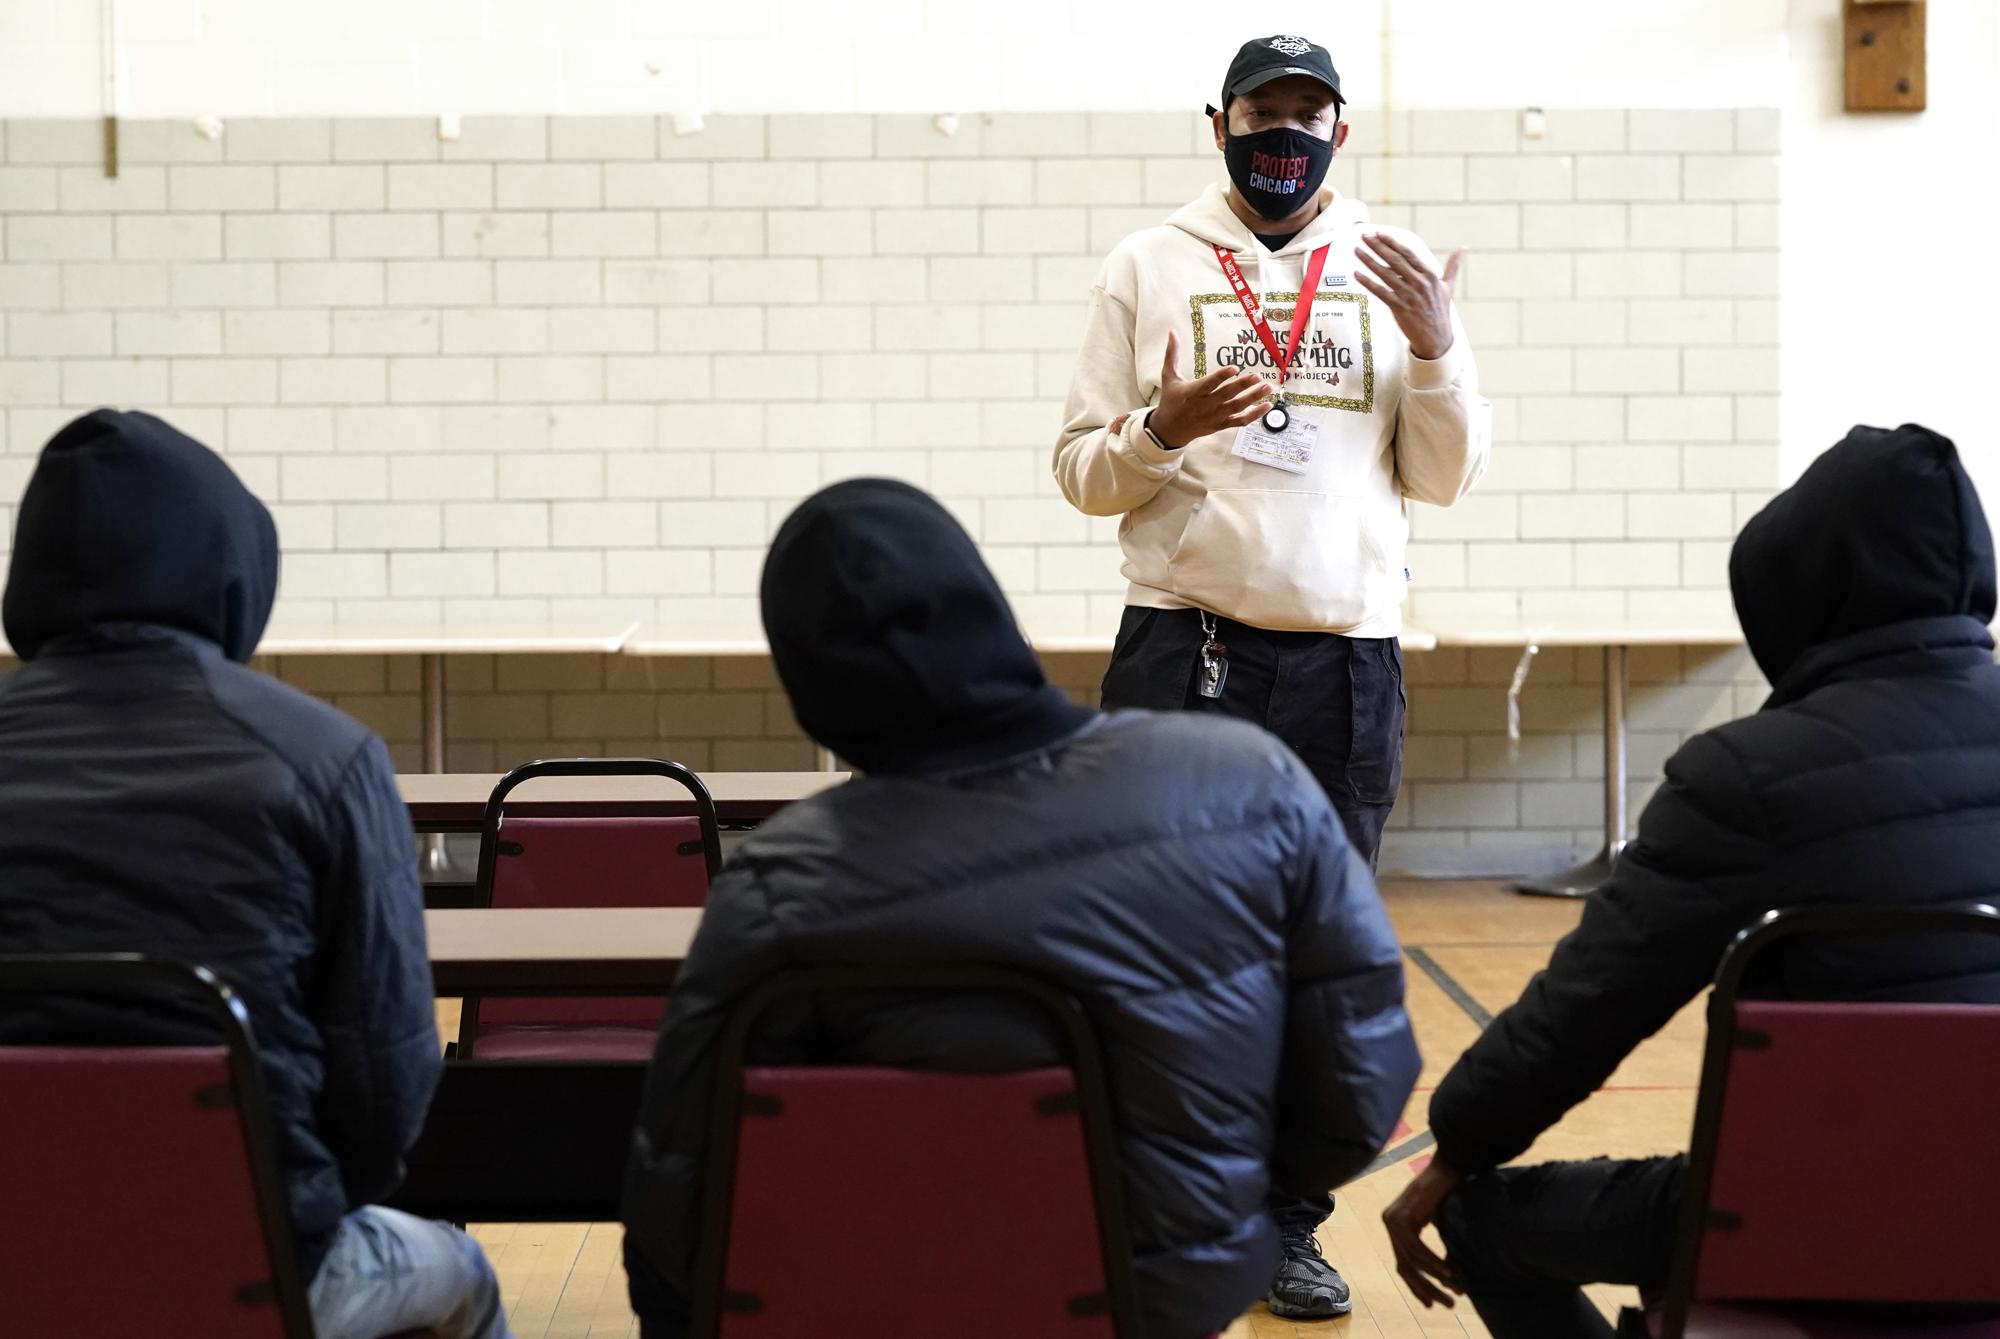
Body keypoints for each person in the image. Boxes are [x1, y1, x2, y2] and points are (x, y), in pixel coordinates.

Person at [620, 478, 1421, 1339]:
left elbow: (684, 1210)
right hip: (1162, 1290)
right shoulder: (1250, 784)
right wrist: (1223, 1198)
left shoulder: (779, 882)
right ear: (991, 612)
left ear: (812, 687)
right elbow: (1357, 1088)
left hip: (884, 1305)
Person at [1380, 423, 2000, 1338]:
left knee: (1485, 1218)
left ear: (1800, 588)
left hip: (1804, 1223)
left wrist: (1455, 1148)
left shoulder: (1749, 777)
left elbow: (1588, 1006)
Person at [1053, 32, 1489, 1317]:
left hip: (1346, 665)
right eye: (1262, 113)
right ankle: (1157, 1208)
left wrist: (1436, 349)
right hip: (1182, 647)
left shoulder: (1387, 265)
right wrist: (1159, 428)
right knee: (1154, 946)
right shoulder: (1146, 262)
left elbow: (1443, 478)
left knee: (1318, 961)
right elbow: (1081, 474)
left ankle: (1286, 1225)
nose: (1283, 135)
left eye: (1308, 114)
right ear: (1219, 122)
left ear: (1339, 131)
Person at [0, 410, 509, 1339]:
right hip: (257, 1261)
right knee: (463, 1271)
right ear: (229, 563)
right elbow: (386, 1084)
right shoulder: (326, 760)